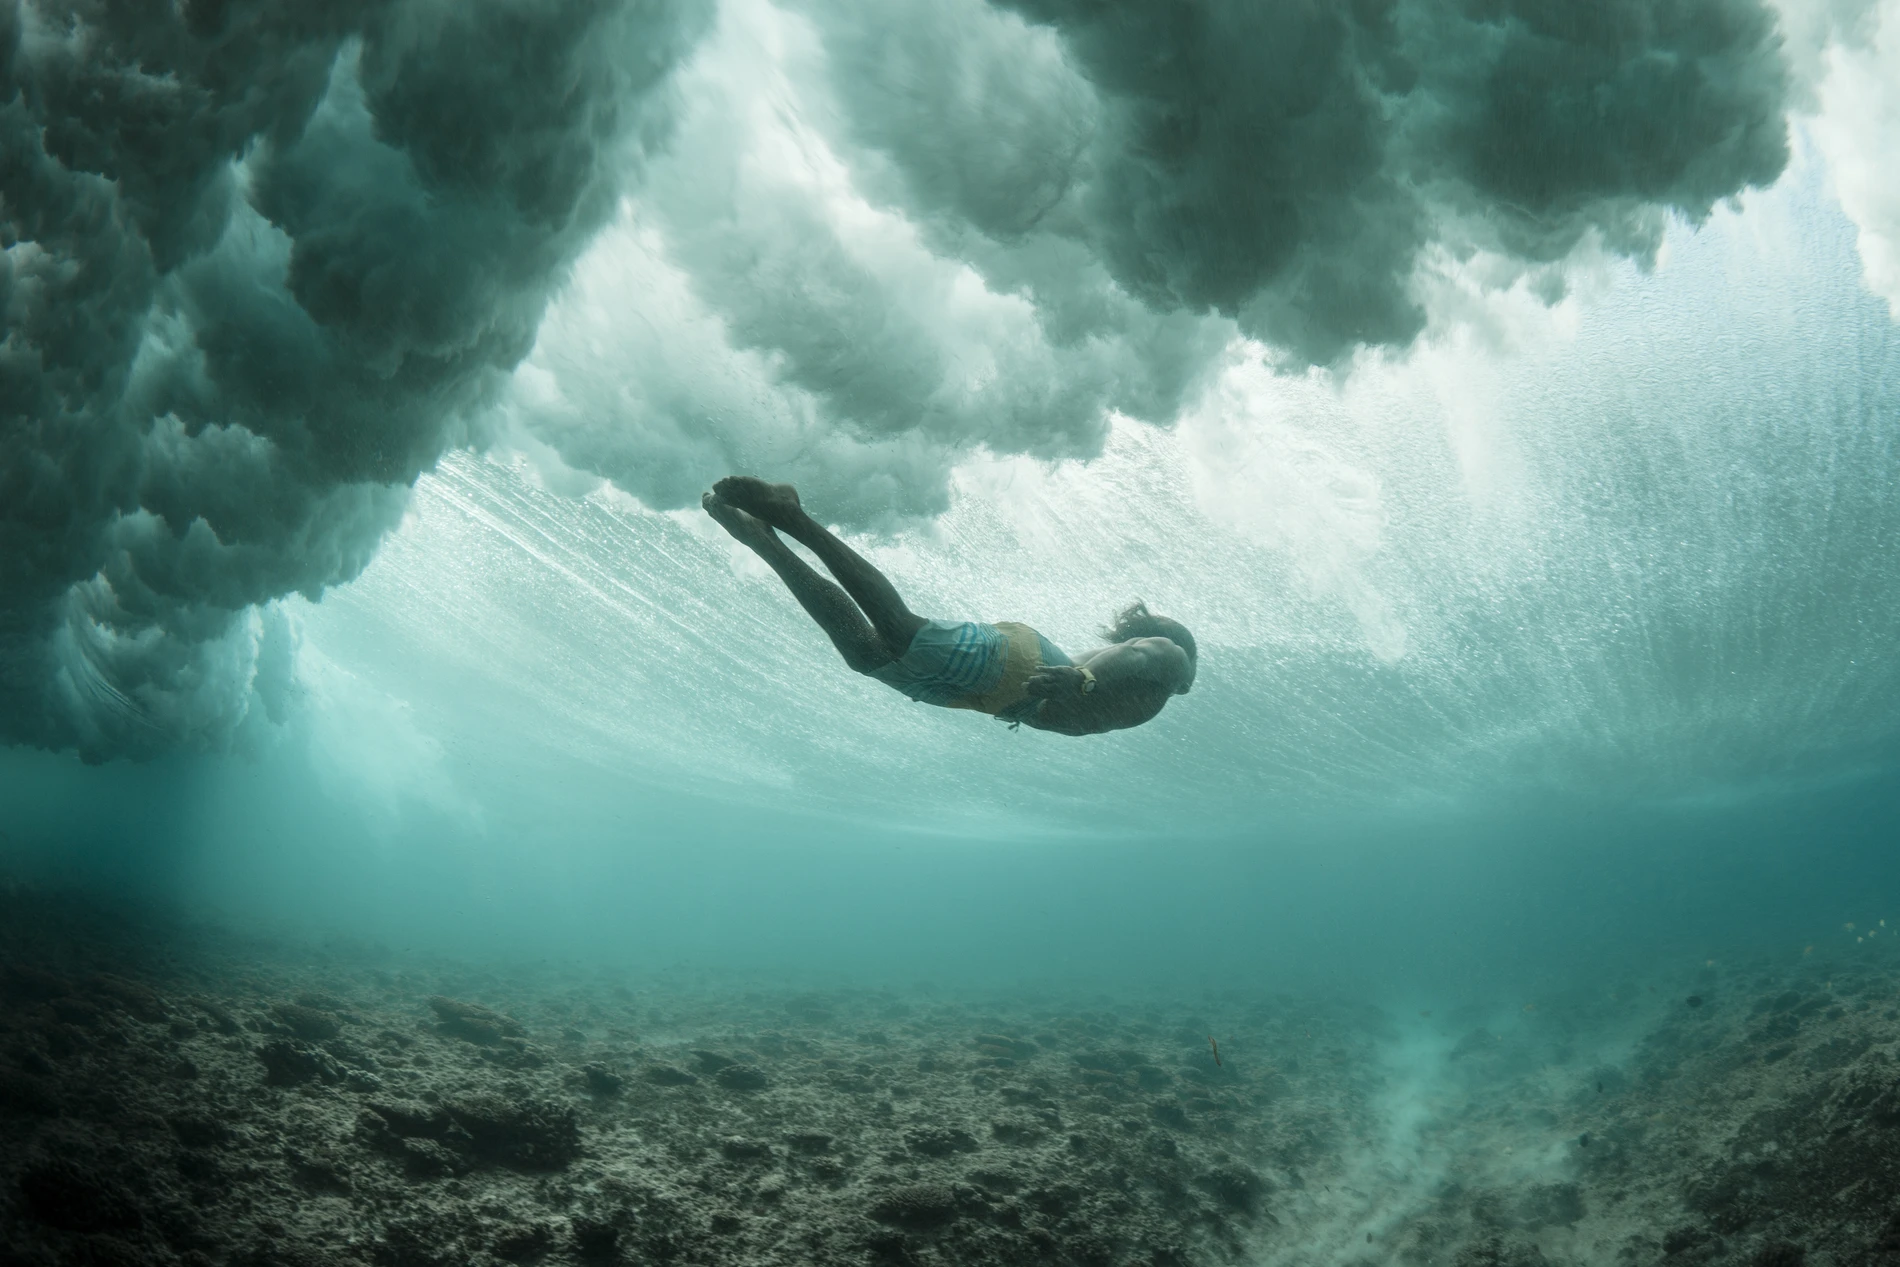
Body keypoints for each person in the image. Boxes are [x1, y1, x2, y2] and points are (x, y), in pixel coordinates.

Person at [702, 477, 1195, 736]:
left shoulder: (1147, 690)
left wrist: (1077, 680)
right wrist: (1082, 679)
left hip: (1000, 699)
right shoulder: (1172, 657)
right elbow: (1140, 657)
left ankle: (762, 539)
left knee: (868, 656)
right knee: (900, 630)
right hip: (1020, 669)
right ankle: (790, 516)